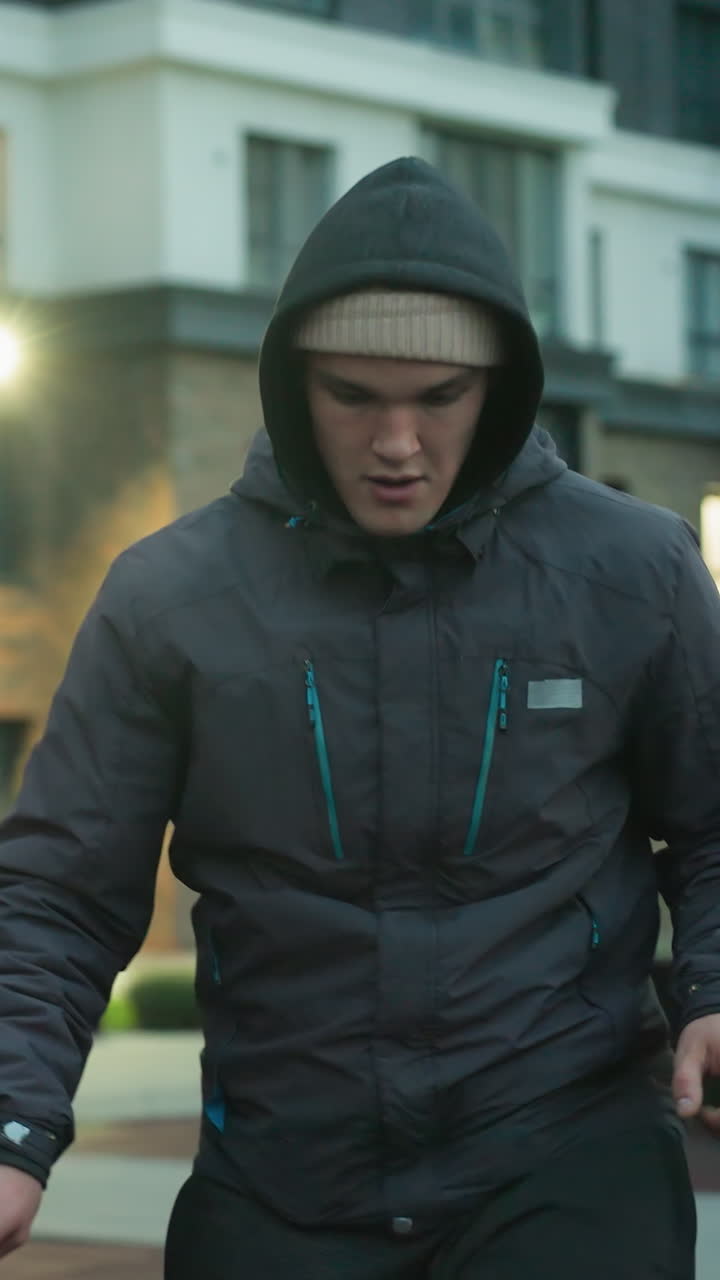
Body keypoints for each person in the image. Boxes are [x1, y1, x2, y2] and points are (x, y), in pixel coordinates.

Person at [0, 156, 716, 1279]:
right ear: (294, 385)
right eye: (354, 396)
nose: (397, 445)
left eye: (439, 398)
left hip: (567, 1153)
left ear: (499, 386)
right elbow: (59, 888)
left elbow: (714, 823)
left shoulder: (634, 569)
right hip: (284, 1178)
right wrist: (12, 1119)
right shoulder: (169, 597)